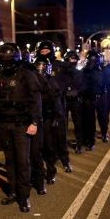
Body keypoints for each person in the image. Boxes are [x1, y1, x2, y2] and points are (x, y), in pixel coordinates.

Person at [0, 43, 42, 213]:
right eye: (4, 59)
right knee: (10, 161)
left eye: (9, 59)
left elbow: (36, 101)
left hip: (22, 125)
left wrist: (34, 122)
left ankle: (24, 197)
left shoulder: (27, 75)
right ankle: (14, 192)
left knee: (23, 161)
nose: (6, 62)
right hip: (3, 125)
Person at [35, 40, 72, 173]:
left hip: (57, 104)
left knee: (60, 135)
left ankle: (65, 160)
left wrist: (61, 90)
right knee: (45, 139)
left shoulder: (60, 66)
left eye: (47, 50)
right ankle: (48, 162)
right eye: (42, 51)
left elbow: (70, 78)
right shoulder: (35, 66)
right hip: (41, 105)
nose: (44, 53)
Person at [33, 56, 63, 187]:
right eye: (39, 65)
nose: (41, 68)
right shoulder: (32, 80)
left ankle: (51, 172)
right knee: (35, 149)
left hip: (47, 118)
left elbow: (57, 101)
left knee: (49, 147)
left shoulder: (52, 82)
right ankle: (37, 173)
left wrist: (56, 117)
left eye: (43, 66)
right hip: (35, 119)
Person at [80, 50, 104, 151]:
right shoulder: (85, 70)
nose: (93, 61)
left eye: (95, 59)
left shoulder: (100, 71)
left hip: (94, 97)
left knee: (91, 120)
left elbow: (100, 83)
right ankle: (85, 139)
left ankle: (90, 141)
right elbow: (80, 82)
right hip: (84, 97)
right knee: (84, 120)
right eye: (91, 59)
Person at [63, 50, 84, 154]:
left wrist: (77, 92)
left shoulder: (79, 73)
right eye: (71, 59)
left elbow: (83, 86)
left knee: (78, 122)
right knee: (63, 123)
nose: (73, 61)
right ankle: (63, 144)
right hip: (64, 100)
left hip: (75, 100)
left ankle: (79, 143)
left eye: (74, 59)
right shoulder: (62, 73)